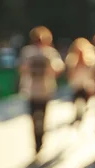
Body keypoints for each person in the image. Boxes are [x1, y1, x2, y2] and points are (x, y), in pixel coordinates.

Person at [19, 26, 65, 154]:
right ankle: (37, 141)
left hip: (45, 90)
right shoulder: (28, 52)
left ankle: (40, 140)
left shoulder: (50, 53)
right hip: (31, 90)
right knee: (34, 117)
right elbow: (22, 68)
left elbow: (58, 68)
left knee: (42, 116)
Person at [66, 38, 95, 122]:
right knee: (77, 100)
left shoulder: (90, 59)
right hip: (76, 84)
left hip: (87, 84)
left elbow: (93, 72)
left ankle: (83, 114)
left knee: (84, 100)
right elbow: (70, 73)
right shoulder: (71, 59)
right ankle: (78, 114)